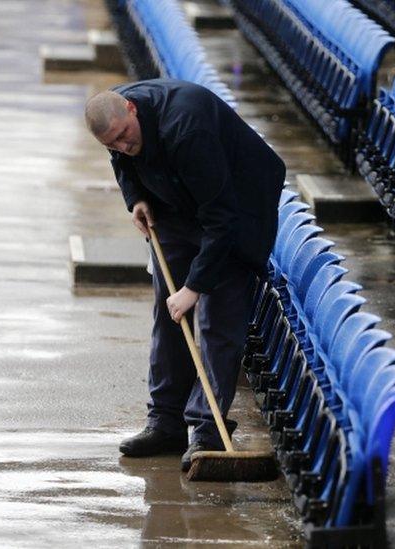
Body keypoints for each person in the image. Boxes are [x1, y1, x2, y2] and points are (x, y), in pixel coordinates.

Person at [84, 79, 285, 471]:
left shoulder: (186, 126)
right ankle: (165, 421)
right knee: (167, 310)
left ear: (131, 109)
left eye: (126, 136)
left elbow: (222, 220)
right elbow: (123, 162)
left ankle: (207, 430)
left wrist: (194, 288)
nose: (124, 147)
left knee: (216, 318)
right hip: (176, 201)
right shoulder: (116, 126)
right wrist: (136, 198)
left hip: (237, 207)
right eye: (113, 144)